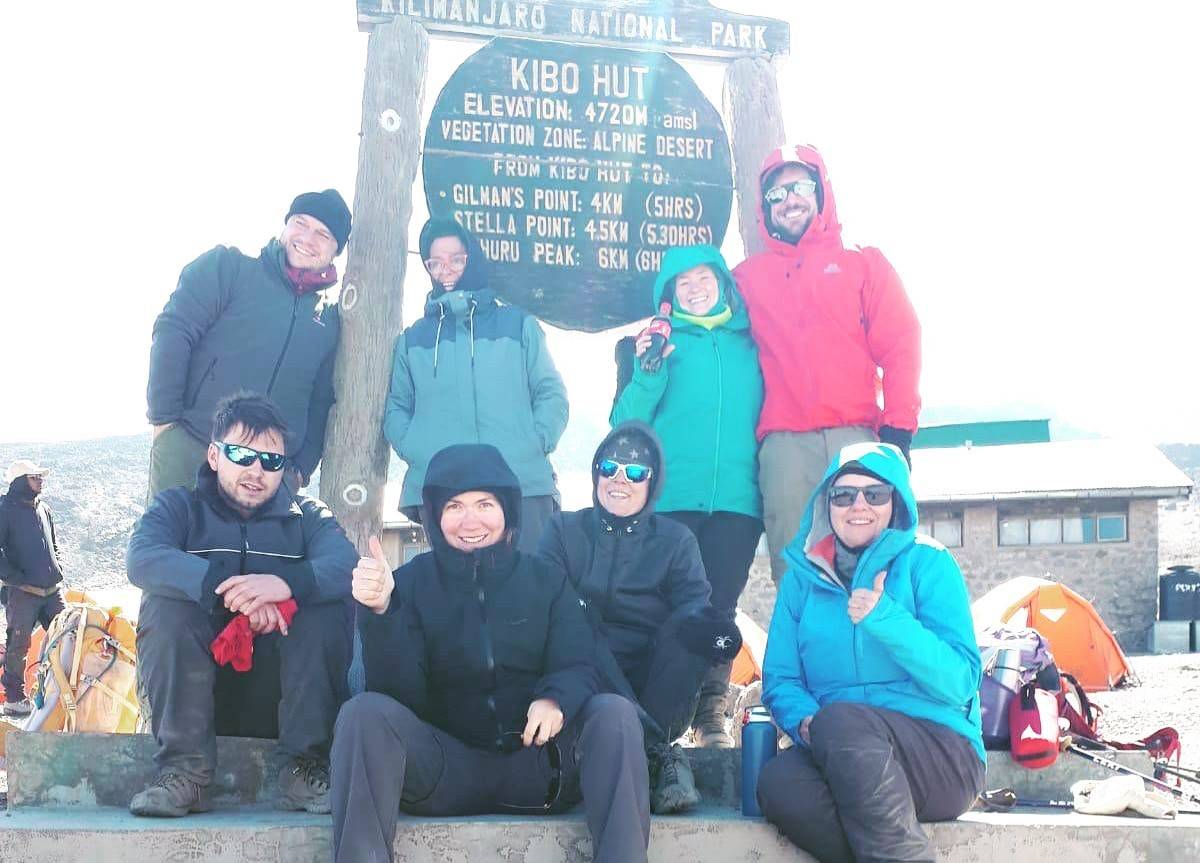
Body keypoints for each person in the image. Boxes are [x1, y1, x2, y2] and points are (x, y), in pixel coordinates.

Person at [332, 443, 649, 863]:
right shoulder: (408, 585)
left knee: (614, 712)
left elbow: (579, 659)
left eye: (485, 503)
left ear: (508, 511)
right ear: (434, 516)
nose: (471, 520)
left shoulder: (546, 581)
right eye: (454, 507)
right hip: (445, 772)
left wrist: (555, 698)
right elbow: (400, 696)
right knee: (362, 713)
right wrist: (382, 612)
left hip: (539, 769)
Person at [127, 393, 357, 817]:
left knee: (328, 607)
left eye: (271, 461)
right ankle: (183, 773)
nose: (257, 470)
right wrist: (231, 593)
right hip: (196, 689)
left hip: (284, 695)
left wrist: (284, 585)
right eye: (241, 454)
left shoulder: (309, 516)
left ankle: (304, 768)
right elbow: (142, 559)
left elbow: (346, 565)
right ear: (214, 456)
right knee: (166, 606)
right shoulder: (179, 508)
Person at [756, 441, 984, 862]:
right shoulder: (800, 581)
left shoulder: (928, 563)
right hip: (838, 749)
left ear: (895, 502)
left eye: (874, 494)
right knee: (779, 782)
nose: (858, 505)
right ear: (827, 503)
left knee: (842, 721)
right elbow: (781, 678)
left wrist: (885, 617)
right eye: (844, 495)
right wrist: (805, 721)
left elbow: (959, 683)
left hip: (938, 754)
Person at [733, 145, 921, 584]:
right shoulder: (745, 278)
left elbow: (901, 342)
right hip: (784, 449)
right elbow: (708, 327)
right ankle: (802, 652)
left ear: (820, 192)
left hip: (855, 436)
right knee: (797, 569)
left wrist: (897, 432)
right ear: (765, 208)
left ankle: (871, 650)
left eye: (798, 187)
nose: (789, 200)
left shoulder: (862, 262)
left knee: (873, 566)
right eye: (776, 194)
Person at [538, 422, 742, 814]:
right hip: (582, 673)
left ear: (652, 483)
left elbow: (692, 604)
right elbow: (546, 597)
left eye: (635, 472)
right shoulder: (563, 529)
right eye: (610, 468)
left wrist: (712, 632)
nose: (621, 480)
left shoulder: (675, 540)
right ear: (596, 472)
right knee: (576, 619)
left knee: (689, 629)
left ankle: (651, 741)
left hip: (654, 681)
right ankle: (659, 754)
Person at [610, 244, 764, 748]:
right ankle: (659, 715)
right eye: (683, 283)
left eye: (704, 278)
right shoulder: (657, 344)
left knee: (720, 608)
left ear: (722, 282)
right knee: (666, 607)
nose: (696, 288)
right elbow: (624, 424)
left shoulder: (753, 343)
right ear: (668, 296)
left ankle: (711, 714)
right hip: (673, 499)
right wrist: (649, 371)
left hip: (737, 502)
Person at [145, 189, 352, 499]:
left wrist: (301, 467)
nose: (308, 238)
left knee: (252, 550)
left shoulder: (329, 320)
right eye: (300, 223)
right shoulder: (229, 269)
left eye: (323, 234)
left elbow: (321, 399)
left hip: (266, 473)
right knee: (169, 545)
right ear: (285, 226)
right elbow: (174, 331)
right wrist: (165, 422)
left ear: (336, 250)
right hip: (194, 446)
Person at [383, 218, 568, 553]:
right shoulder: (413, 339)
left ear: (473, 258)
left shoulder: (518, 324)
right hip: (443, 489)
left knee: (531, 594)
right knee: (454, 601)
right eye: (435, 262)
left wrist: (535, 441)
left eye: (457, 259)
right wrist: (418, 448)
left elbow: (550, 392)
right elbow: (397, 407)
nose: (447, 270)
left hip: (521, 483)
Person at [0, 459, 66, 717]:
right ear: (19, 481)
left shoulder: (44, 509)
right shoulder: (4, 510)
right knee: (19, 644)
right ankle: (14, 700)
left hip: (52, 590)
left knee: (67, 637)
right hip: (23, 592)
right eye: (34, 477)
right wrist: (15, 578)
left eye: (40, 476)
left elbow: (54, 543)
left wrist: (57, 566)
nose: (40, 480)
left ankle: (61, 691)